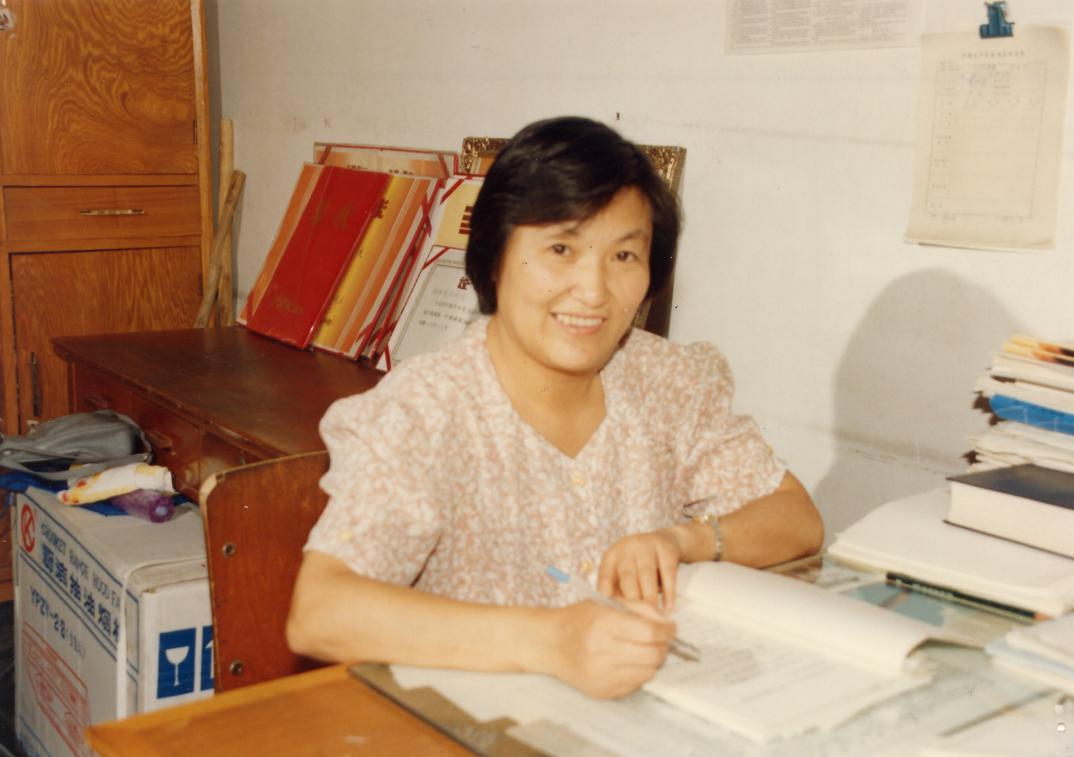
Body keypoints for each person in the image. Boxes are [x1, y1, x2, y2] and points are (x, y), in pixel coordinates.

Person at [286, 116, 823, 699]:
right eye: (560, 249)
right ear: (495, 256)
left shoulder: (668, 381)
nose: (593, 291)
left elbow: (795, 518)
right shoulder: (424, 411)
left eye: (624, 255)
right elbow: (320, 612)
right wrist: (551, 642)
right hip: (477, 719)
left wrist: (680, 541)